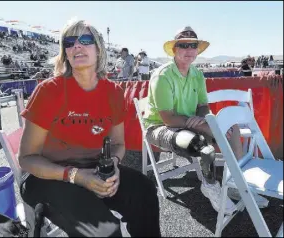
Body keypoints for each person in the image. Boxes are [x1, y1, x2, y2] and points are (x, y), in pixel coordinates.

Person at [18, 19, 161, 237]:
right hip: (47, 176)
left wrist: (112, 166)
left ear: (99, 49)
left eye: (85, 39)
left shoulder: (113, 92)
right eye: (70, 42)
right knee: (106, 230)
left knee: (144, 191)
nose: (77, 46)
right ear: (65, 52)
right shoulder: (48, 91)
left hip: (95, 169)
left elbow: (119, 144)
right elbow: (27, 158)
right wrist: (76, 176)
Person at [143, 26, 268, 215]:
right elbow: (168, 118)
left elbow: (203, 106)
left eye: (193, 45)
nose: (189, 49)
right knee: (201, 144)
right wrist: (202, 124)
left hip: (189, 122)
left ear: (197, 50)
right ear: (175, 50)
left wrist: (201, 119)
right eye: (183, 45)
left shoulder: (197, 74)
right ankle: (209, 185)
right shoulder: (162, 76)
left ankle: (238, 183)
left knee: (231, 129)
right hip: (159, 127)